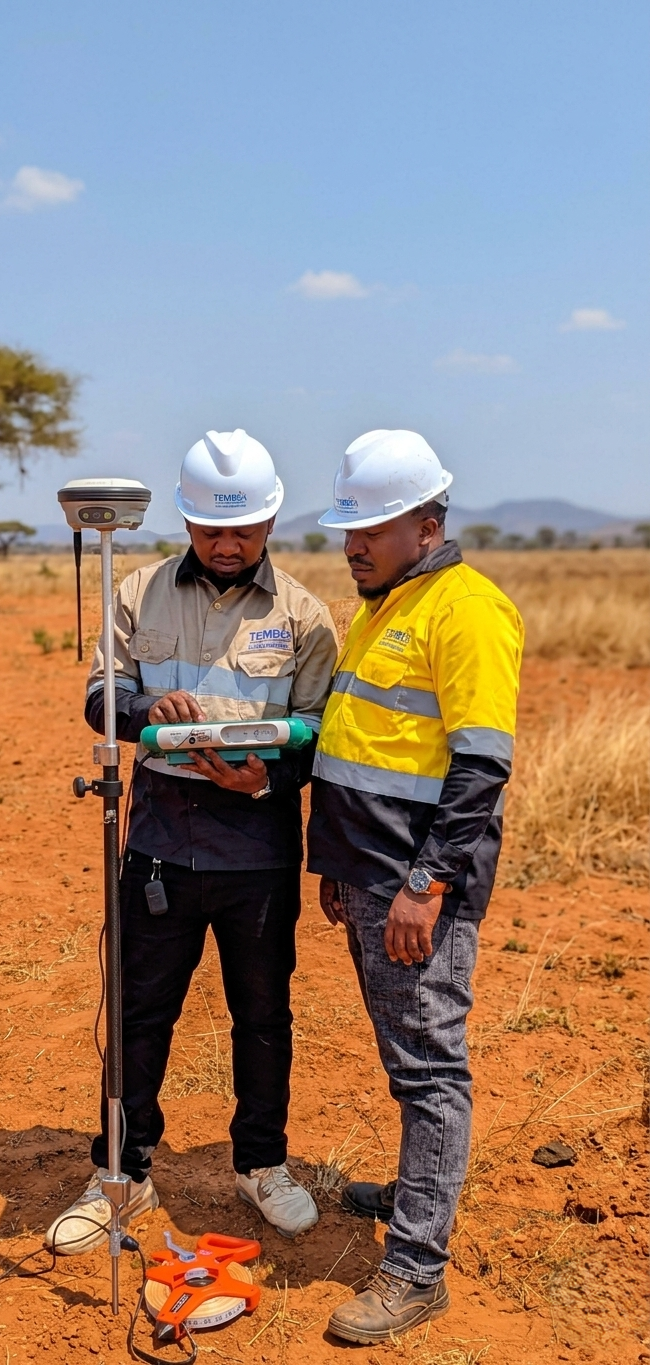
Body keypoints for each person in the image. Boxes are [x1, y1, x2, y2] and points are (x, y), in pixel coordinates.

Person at [47, 428, 337, 1252]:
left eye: (242, 529)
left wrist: (270, 778)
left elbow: (319, 730)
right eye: (211, 528)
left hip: (261, 851)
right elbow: (103, 694)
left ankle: (261, 1164)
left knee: (263, 1015)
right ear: (184, 522)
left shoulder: (305, 617)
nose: (226, 543)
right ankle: (122, 1172)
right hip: (160, 848)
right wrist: (145, 714)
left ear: (272, 520)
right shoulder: (137, 592)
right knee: (142, 1013)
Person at [307, 429, 524, 1345]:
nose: (352, 545)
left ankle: (417, 1263)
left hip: (415, 889)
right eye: (349, 529)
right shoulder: (389, 599)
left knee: (431, 1070)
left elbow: (480, 766)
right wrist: (338, 863)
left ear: (427, 524)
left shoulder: (466, 609)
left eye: (371, 529)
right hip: (369, 875)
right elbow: (371, 745)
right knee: (407, 1058)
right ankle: (415, 1189)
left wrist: (425, 884)